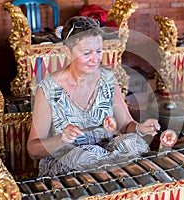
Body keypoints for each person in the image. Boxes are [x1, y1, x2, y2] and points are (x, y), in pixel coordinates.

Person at [27, 16, 161, 177]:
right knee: (87, 156)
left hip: (103, 157)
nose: (95, 59)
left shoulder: (108, 80)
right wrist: (62, 138)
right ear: (67, 52)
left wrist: (140, 128)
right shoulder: (48, 89)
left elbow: (126, 125)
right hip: (67, 164)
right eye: (86, 53)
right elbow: (33, 150)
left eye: (98, 51)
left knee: (134, 143)